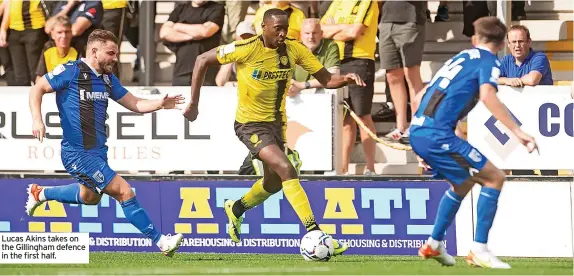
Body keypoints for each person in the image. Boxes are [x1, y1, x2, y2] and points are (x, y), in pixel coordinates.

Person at [183, 8, 365, 256]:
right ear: (264, 28)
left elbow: (325, 78)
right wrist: (193, 103)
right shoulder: (246, 48)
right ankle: (316, 233)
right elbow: (201, 60)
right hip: (250, 125)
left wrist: (346, 78)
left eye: (285, 28)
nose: (282, 33)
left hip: (278, 125)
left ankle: (236, 208)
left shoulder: (295, 48)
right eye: (277, 28)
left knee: (273, 183)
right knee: (287, 169)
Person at [26, 29, 185, 257]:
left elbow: (134, 103)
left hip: (98, 152)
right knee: (124, 192)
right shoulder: (71, 71)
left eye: (116, 53)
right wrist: (37, 119)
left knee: (90, 198)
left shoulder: (107, 79)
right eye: (111, 53)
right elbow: (37, 88)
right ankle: (161, 241)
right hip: (77, 154)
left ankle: (40, 194)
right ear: (94, 51)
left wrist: (160, 103)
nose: (115, 58)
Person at [410, 16, 538, 269]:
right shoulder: (489, 61)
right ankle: (479, 250)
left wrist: (421, 136)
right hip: (437, 135)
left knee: (464, 182)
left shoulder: (459, 57)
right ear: (502, 45)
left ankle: (433, 243)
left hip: (420, 129)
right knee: (494, 177)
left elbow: (420, 95)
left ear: (474, 39)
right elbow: (487, 94)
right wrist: (517, 131)